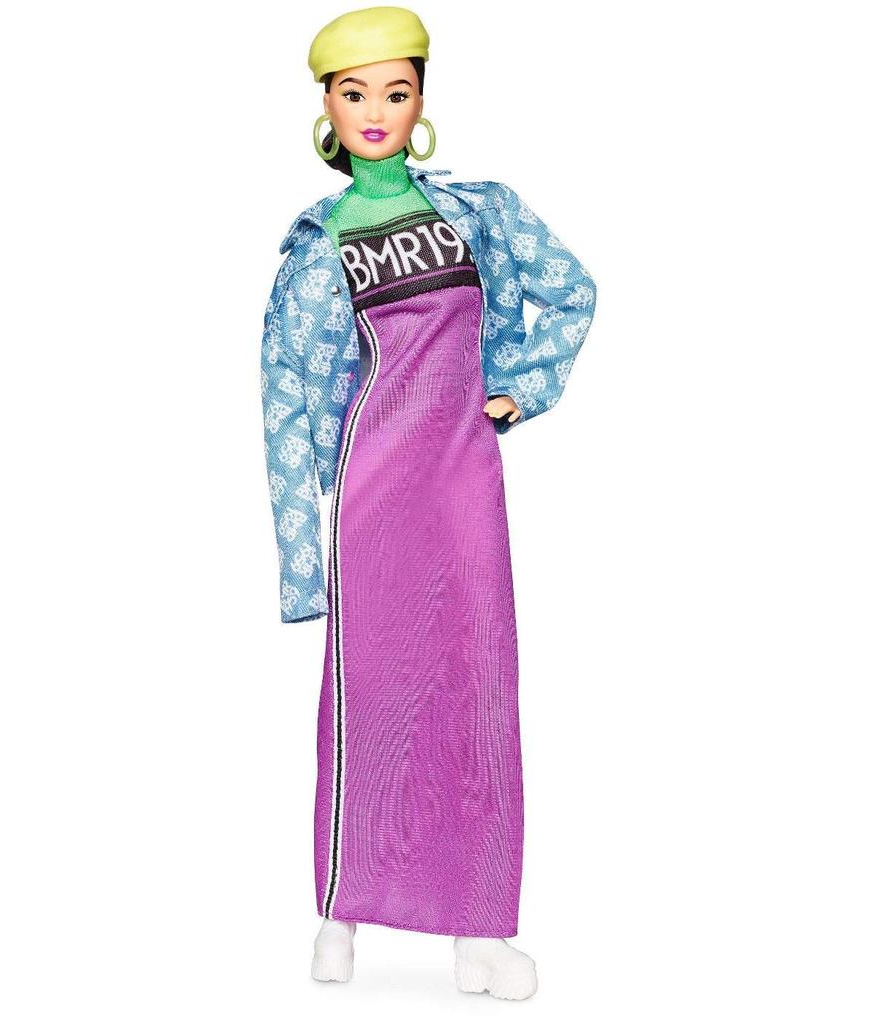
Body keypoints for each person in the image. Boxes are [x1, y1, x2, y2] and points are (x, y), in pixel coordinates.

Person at [260, 5, 596, 1000]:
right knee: (370, 698)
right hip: (371, 494)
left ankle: (480, 927)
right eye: (354, 93)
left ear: (421, 103)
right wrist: (304, 558)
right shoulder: (318, 247)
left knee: (478, 690)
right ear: (326, 107)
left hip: (463, 484)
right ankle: (341, 912)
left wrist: (515, 390)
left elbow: (569, 289)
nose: (375, 111)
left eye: (395, 93)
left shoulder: (476, 213)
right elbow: (289, 403)